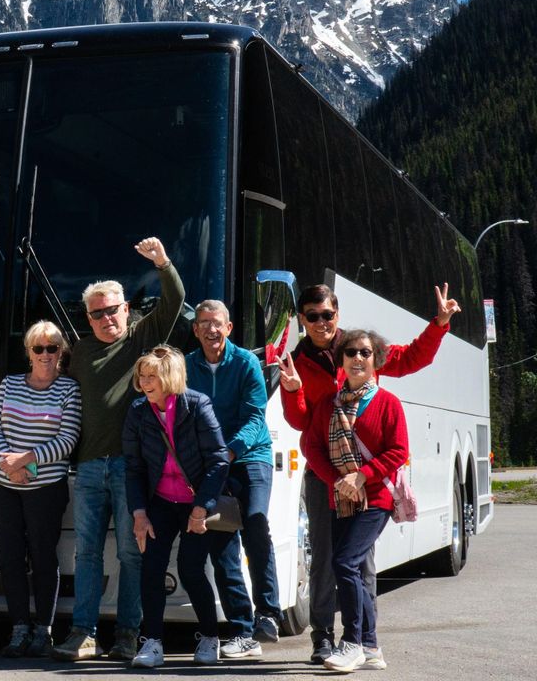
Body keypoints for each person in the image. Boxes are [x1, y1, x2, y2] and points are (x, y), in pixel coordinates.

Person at [278, 283, 459, 664]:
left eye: (327, 314)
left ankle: (362, 640)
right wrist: (293, 390)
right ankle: (323, 636)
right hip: (325, 476)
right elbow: (301, 424)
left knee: (360, 562)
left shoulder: (361, 348)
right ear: (302, 320)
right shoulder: (296, 361)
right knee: (325, 557)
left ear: (337, 314)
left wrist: (439, 324)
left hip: (367, 481)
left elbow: (411, 358)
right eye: (312, 316)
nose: (321, 322)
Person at [51, 236, 184, 662]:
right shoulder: (79, 352)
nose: (107, 317)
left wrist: (162, 263)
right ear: (88, 318)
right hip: (89, 467)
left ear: (127, 309)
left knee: (131, 551)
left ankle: (128, 633)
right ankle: (83, 633)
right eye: (98, 312)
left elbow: (175, 299)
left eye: (114, 309)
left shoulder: (141, 339)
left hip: (132, 468)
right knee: (86, 552)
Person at [300, 330, 409, 673]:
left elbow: (399, 450)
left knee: (345, 563)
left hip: (375, 498)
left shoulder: (387, 402)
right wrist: (338, 482)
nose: (357, 358)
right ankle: (372, 646)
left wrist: (362, 476)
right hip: (340, 498)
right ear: (341, 360)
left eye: (365, 352)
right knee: (352, 569)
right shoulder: (328, 404)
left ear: (376, 360)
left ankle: (352, 642)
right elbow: (311, 447)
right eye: (350, 352)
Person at [122, 346, 230, 668]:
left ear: (169, 377)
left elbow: (218, 460)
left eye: (151, 375)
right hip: (160, 502)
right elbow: (134, 466)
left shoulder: (197, 405)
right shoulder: (139, 411)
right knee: (152, 567)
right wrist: (139, 512)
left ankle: (210, 638)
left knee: (190, 568)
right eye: (141, 376)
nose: (144, 382)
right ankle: (152, 642)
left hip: (196, 503)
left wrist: (201, 510)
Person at [184, 299, 280, 658]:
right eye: (204, 322)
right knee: (222, 544)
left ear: (229, 328)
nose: (211, 329)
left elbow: (256, 417)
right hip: (212, 463)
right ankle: (242, 632)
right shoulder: (187, 367)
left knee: (255, 522)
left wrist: (229, 451)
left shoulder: (246, 363)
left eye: (217, 323)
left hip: (249, 455)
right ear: (195, 330)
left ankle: (269, 613)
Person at [0, 321, 81, 658]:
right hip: (3, 483)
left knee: (42, 556)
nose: (44, 354)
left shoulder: (69, 389)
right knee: (9, 557)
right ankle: (19, 628)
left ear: (61, 352)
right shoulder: (9, 384)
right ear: (28, 352)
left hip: (46, 487)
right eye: (38, 348)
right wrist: (7, 464)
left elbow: (67, 440)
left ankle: (44, 630)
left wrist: (26, 463)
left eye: (51, 348)